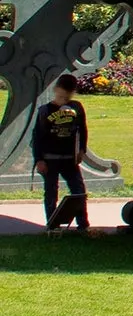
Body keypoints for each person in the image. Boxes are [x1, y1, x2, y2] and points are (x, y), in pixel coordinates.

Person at [31, 74, 89, 230]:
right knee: (51, 192)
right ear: (56, 90)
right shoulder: (45, 111)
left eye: (67, 96)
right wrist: (39, 159)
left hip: (69, 158)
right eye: (61, 95)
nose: (64, 99)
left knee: (78, 190)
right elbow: (37, 137)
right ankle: (52, 224)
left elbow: (82, 130)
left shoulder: (76, 108)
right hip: (50, 158)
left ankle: (83, 224)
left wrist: (81, 149)